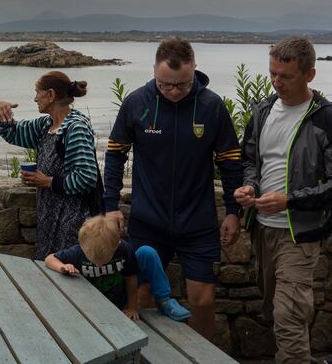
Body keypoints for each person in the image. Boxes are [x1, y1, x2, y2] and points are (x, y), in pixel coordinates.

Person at [103, 38, 242, 339]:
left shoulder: (211, 105)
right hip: (148, 220)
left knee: (202, 301)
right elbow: (115, 154)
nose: (174, 92)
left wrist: (233, 212)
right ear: (154, 70)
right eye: (166, 85)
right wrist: (111, 205)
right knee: (140, 297)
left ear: (194, 72)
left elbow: (230, 161)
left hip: (198, 220)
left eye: (182, 85)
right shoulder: (137, 102)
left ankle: (204, 360)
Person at [234, 36, 332, 364]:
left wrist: (289, 201)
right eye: (273, 74)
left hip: (299, 233)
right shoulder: (262, 111)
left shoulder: (325, 119)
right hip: (263, 230)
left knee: (288, 317)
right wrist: (249, 188)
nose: (276, 82)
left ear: (310, 75)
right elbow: (249, 160)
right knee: (275, 311)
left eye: (285, 76)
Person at [0, 71, 100, 260]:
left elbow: (86, 178)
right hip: (50, 221)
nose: (35, 98)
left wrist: (48, 181)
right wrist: (0, 112)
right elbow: (14, 133)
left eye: (37, 92)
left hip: (74, 224)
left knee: (69, 276)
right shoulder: (46, 125)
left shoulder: (76, 128)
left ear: (50, 95)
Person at [45, 215, 191, 322]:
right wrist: (62, 266)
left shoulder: (124, 250)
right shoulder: (78, 252)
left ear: (116, 246)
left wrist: (132, 307)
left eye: (103, 260)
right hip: (92, 306)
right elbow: (49, 258)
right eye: (93, 260)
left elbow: (131, 279)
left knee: (148, 252)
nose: (98, 265)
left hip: (120, 296)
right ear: (82, 246)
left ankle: (164, 301)